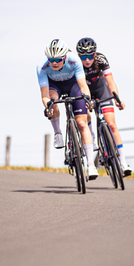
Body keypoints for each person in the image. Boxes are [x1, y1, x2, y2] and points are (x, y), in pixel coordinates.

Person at [37, 38, 98, 180]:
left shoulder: (74, 60)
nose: (54, 63)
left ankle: (90, 165)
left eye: (58, 60)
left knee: (82, 124)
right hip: (54, 87)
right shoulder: (42, 67)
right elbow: (45, 95)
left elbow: (83, 86)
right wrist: (48, 107)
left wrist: (87, 99)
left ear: (64, 57)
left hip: (73, 86)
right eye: (51, 59)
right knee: (52, 102)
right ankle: (58, 133)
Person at [76, 37, 132, 176]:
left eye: (90, 56)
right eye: (83, 57)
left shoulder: (101, 59)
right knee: (86, 115)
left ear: (94, 54)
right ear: (79, 56)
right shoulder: (76, 64)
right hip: (85, 91)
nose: (87, 60)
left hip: (101, 90)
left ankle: (123, 162)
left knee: (111, 124)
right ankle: (92, 137)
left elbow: (110, 81)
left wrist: (117, 98)